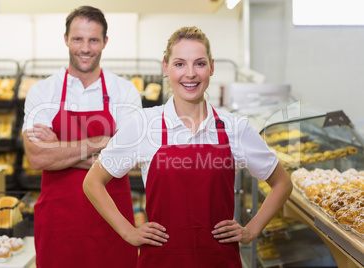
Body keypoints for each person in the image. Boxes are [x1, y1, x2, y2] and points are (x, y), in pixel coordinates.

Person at [83, 26, 293, 267]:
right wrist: (128, 232)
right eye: (180, 64)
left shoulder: (236, 127)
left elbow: (282, 183)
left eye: (200, 64)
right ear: (166, 68)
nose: (190, 74)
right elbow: (93, 182)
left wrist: (251, 231)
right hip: (161, 260)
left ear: (212, 67)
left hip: (220, 260)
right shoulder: (144, 124)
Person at [22, 6, 141, 268]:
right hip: (59, 225)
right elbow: (38, 156)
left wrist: (58, 149)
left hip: (112, 222)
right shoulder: (43, 91)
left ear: (105, 42)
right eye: (78, 39)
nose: (85, 48)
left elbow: (131, 158)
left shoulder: (125, 91)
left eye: (93, 40)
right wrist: (102, 142)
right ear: (65, 39)